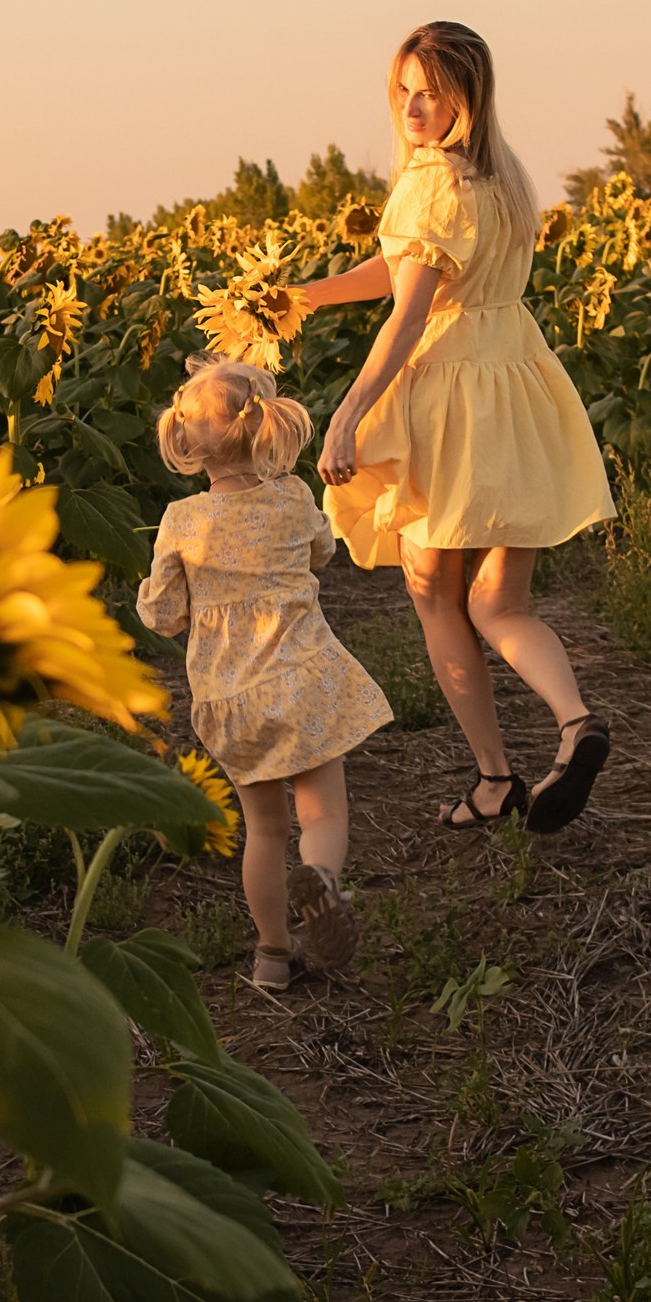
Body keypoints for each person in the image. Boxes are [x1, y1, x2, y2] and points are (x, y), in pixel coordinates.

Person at [296, 21, 617, 833]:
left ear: (464, 98)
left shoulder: (427, 180)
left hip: (449, 397)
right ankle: (576, 721)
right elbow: (408, 265)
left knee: (434, 593)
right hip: (518, 389)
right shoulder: (502, 179)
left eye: (431, 91)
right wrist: (307, 295)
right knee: (500, 602)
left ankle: (493, 779)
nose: (413, 104)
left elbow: (409, 314)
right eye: (403, 88)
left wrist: (347, 416)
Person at [137, 356, 393, 991]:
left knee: (264, 830)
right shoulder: (294, 496)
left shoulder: (182, 521)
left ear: (187, 443)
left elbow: (164, 616)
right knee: (322, 815)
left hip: (230, 697)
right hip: (302, 677)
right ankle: (325, 882)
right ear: (266, 428)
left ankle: (272, 957)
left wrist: (160, 596)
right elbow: (322, 550)